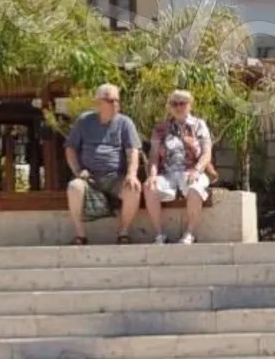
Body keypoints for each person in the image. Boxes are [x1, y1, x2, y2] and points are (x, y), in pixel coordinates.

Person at [64, 83, 143, 245]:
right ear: (99, 102)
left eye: (117, 100)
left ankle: (123, 233)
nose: (115, 104)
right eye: (110, 100)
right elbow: (70, 148)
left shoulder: (125, 123)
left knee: (133, 188)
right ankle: (80, 235)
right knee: (74, 187)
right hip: (89, 177)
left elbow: (133, 151)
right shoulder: (84, 121)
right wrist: (78, 170)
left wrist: (131, 174)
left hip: (115, 177)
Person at [143, 89, 213, 245]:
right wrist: (152, 175)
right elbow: (153, 156)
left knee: (195, 188)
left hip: (192, 171)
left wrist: (197, 170)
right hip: (167, 174)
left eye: (182, 103)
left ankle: (189, 233)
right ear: (169, 106)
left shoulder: (199, 125)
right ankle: (160, 234)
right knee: (149, 187)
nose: (178, 107)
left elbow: (206, 153)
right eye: (174, 104)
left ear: (190, 105)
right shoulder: (161, 128)